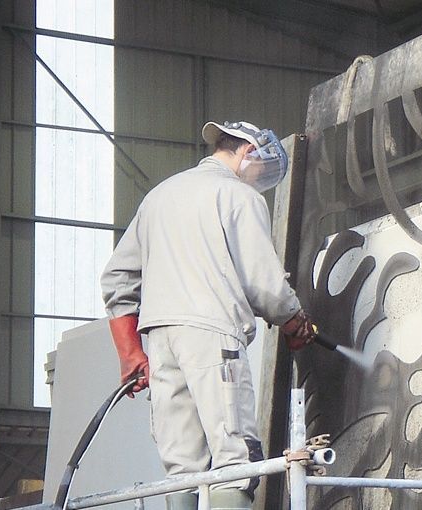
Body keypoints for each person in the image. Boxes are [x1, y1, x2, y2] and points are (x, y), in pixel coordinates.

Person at [100, 121, 317, 510]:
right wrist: (292, 319)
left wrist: (130, 352)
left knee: (183, 466)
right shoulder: (238, 196)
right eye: (262, 172)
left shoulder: (158, 197)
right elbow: (263, 282)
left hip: (162, 342)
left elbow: (117, 276)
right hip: (213, 337)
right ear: (247, 153)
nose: (259, 183)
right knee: (236, 458)